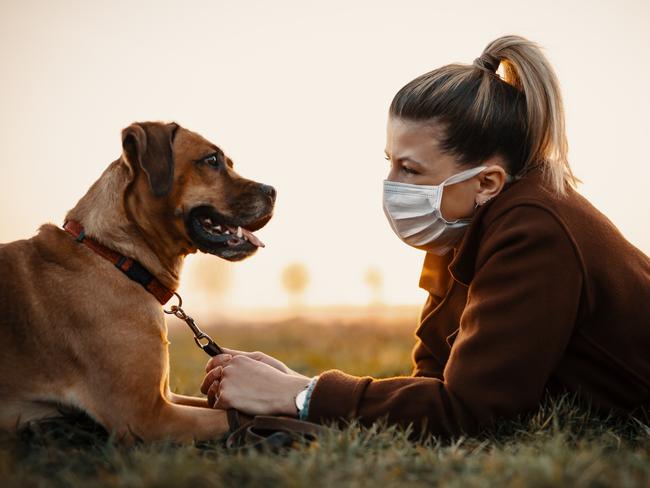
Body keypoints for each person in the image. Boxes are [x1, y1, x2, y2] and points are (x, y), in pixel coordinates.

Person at [199, 34, 650, 437]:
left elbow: (468, 411)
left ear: (486, 182)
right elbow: (434, 377)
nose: (392, 184)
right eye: (390, 162)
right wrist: (291, 385)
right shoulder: (458, 229)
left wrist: (302, 395)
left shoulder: (534, 231)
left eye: (410, 169)